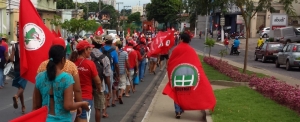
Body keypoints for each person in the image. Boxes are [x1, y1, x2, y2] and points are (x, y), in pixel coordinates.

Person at [33, 45, 90, 122]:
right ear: (63, 59)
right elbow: (68, 106)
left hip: (45, 119)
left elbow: (36, 105)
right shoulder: (67, 78)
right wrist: (82, 104)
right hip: (63, 120)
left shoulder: (40, 77)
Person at [70, 41, 103, 122]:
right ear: (85, 50)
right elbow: (98, 81)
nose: (90, 51)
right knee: (83, 119)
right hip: (86, 97)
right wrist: (99, 89)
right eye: (89, 49)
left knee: (74, 119)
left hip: (72, 96)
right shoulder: (90, 63)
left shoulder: (72, 63)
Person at [88, 35, 112, 119]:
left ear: (93, 44)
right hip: (100, 86)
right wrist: (109, 89)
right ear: (101, 45)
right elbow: (107, 75)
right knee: (98, 109)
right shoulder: (105, 58)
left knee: (86, 108)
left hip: (88, 85)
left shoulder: (88, 56)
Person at [100, 35, 120, 107]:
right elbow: (116, 64)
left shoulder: (100, 49)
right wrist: (118, 74)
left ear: (104, 42)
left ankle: (103, 102)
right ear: (111, 42)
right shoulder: (114, 51)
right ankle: (107, 103)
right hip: (109, 71)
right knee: (109, 87)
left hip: (100, 71)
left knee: (102, 87)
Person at [9, 37, 26, 113]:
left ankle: (23, 106)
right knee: (22, 86)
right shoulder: (26, 46)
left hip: (16, 69)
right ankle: (16, 96)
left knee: (20, 87)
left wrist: (12, 52)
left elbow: (12, 59)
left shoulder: (14, 46)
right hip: (24, 68)